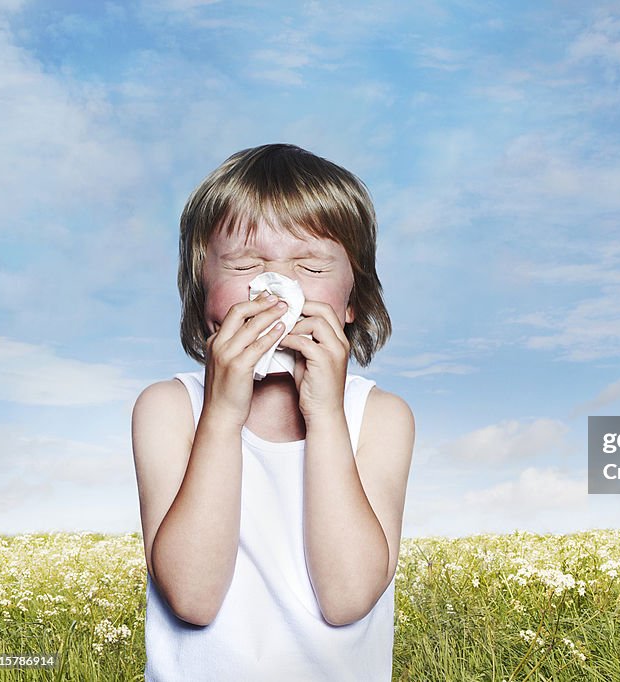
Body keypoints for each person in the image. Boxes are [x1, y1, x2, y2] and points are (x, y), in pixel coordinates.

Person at [131, 144, 415, 681]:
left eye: (309, 266)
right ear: (204, 290)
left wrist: (326, 415)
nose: (276, 289)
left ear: (353, 300)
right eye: (244, 265)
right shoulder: (169, 408)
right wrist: (220, 415)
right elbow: (192, 598)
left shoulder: (379, 418)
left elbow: (348, 598)